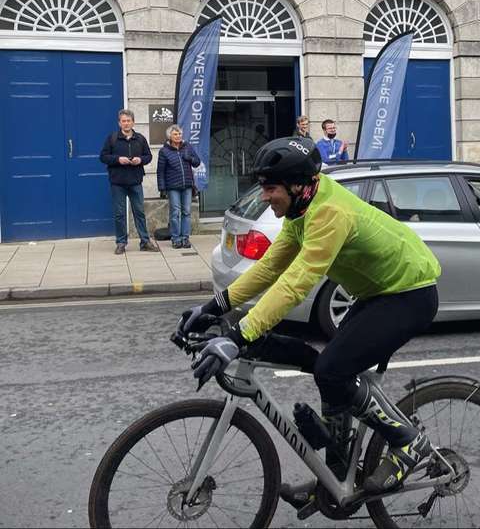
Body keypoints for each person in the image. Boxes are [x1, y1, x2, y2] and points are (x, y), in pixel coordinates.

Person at [176, 136, 440, 498]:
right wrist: (212, 308)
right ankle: (334, 479)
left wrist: (238, 337)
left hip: (409, 294)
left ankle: (409, 443)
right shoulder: (303, 208)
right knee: (331, 376)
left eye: (270, 189)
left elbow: (295, 285)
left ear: (298, 185)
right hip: (376, 293)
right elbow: (270, 268)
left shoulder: (329, 213)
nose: (265, 197)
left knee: (331, 369)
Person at [99, 109, 159, 254]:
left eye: (128, 121)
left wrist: (141, 160)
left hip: (135, 181)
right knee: (119, 214)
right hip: (118, 183)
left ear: (133, 122)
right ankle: (121, 243)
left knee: (139, 212)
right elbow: (103, 157)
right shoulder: (112, 138)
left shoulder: (140, 139)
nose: (126, 123)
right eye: (123, 121)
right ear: (119, 123)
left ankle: (145, 242)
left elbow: (149, 156)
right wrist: (118, 159)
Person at [157, 124, 201, 249]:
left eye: (180, 134)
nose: (178, 136)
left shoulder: (187, 147)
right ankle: (176, 238)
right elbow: (160, 171)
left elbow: (197, 162)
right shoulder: (164, 151)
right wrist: (162, 188)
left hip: (187, 185)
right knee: (175, 212)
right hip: (172, 186)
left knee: (186, 212)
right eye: (175, 134)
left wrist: (190, 158)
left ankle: (185, 238)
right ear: (169, 136)